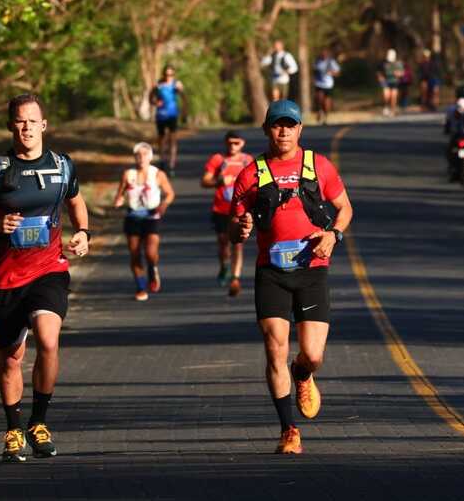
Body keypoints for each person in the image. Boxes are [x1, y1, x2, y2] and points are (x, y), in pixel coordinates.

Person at [229, 99, 353, 455]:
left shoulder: (319, 165)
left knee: (312, 355)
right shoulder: (251, 174)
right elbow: (234, 227)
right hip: (271, 273)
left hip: (312, 271)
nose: (283, 131)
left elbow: (344, 208)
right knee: (275, 349)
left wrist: (333, 235)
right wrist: (241, 228)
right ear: (267, 129)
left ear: (300, 129)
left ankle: (303, 373)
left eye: (290, 124)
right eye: (277, 124)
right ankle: (289, 430)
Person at [0, 93, 90, 463]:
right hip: (6, 278)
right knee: (11, 357)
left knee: (48, 340)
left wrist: (83, 232)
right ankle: (13, 429)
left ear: (44, 125)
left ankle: (39, 423)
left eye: (32, 121)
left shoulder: (62, 165)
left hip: (49, 269)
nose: (26, 128)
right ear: (11, 126)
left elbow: (75, 201)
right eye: (20, 121)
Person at [113, 142, 175, 301]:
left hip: (151, 216)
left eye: (145, 154)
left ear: (150, 157)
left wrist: (164, 205)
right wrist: (119, 200)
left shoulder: (158, 174)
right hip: (133, 217)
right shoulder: (128, 174)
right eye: (138, 155)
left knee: (150, 252)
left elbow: (170, 194)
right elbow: (119, 194)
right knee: (135, 254)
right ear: (134, 157)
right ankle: (140, 287)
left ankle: (152, 269)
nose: (141, 158)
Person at [200, 131, 253, 296]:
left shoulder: (248, 161)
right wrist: (219, 181)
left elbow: (257, 182)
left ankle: (235, 277)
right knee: (223, 243)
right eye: (230, 143)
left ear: (242, 143)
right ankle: (224, 265)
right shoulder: (218, 159)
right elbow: (204, 181)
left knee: (238, 243)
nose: (233, 146)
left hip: (240, 210)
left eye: (236, 143)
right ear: (225, 143)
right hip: (221, 209)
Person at [149, 64, 187, 175]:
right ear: (163, 74)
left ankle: (171, 165)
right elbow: (151, 98)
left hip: (172, 115)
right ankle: (162, 161)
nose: (168, 76)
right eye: (166, 74)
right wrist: (155, 102)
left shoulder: (176, 84)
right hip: (161, 115)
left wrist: (184, 112)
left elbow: (184, 98)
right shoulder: (159, 85)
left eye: (171, 74)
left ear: (174, 74)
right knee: (161, 139)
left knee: (172, 140)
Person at [313, 50, 340, 125]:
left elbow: (337, 72)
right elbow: (314, 71)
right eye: (322, 54)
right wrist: (314, 78)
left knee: (326, 102)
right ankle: (319, 111)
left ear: (328, 55)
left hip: (328, 84)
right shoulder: (317, 61)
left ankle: (325, 117)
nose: (323, 55)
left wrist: (331, 73)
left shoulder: (331, 62)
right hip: (319, 84)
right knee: (319, 99)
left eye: (325, 54)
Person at [377, 49, 404, 116]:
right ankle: (386, 107)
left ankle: (393, 110)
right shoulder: (383, 63)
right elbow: (379, 71)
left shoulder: (398, 63)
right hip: (386, 81)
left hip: (394, 81)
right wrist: (380, 77)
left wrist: (398, 74)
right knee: (386, 95)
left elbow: (402, 73)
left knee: (393, 96)